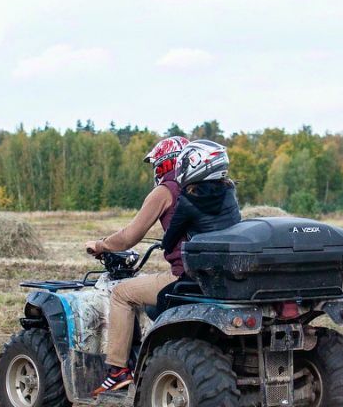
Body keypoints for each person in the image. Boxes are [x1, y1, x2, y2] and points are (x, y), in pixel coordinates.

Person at [86, 138, 240, 396]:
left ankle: (117, 371)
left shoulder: (165, 191)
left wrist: (101, 245)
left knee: (121, 294)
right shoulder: (218, 188)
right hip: (218, 272)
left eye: (157, 165)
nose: (155, 170)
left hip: (184, 273)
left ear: (165, 163)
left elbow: (129, 237)